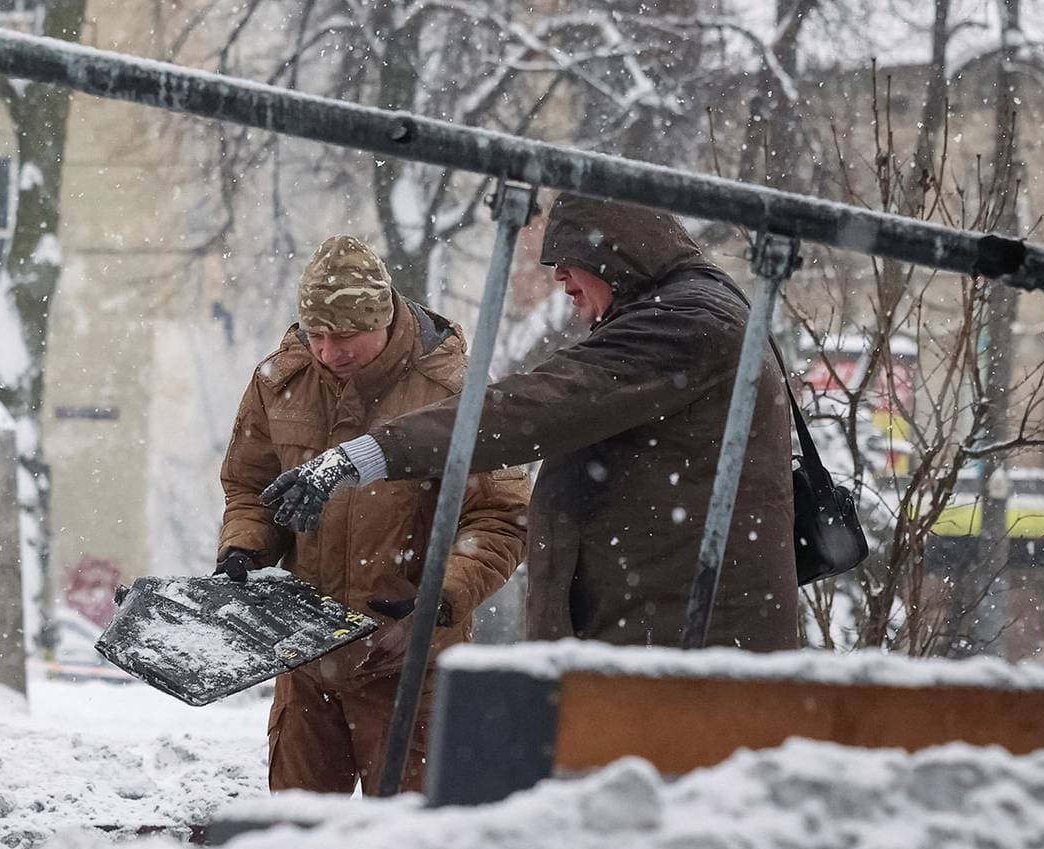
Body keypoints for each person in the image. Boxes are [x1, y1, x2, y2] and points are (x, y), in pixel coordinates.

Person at [263, 195, 798, 651]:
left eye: (570, 256)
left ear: (616, 253)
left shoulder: (686, 325)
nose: (558, 274)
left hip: (676, 640)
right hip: (662, 629)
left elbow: (533, 407)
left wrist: (366, 455)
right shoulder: (690, 315)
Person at [218, 236, 529, 794]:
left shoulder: (454, 391)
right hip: (305, 661)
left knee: (409, 835)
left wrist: (438, 598)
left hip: (410, 664)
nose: (327, 352)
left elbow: (502, 517)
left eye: (344, 337)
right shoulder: (279, 382)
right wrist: (244, 547)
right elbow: (250, 487)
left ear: (383, 320)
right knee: (297, 831)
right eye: (315, 335)